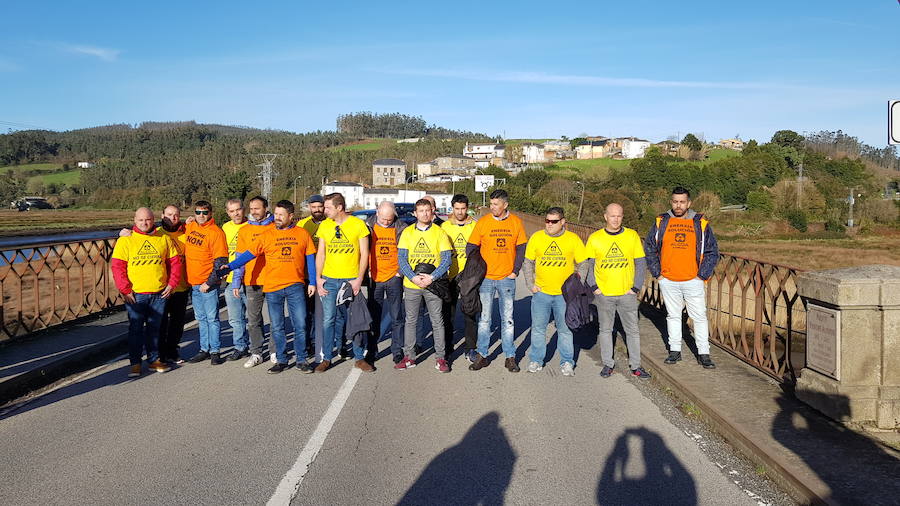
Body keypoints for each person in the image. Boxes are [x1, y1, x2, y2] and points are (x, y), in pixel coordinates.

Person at [223, 200, 317, 373]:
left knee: (301, 324)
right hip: (273, 287)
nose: (278, 217)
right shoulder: (267, 234)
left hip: (295, 286)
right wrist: (230, 266)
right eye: (277, 213)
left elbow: (310, 259)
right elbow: (248, 255)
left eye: (282, 214)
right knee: (277, 326)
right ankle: (281, 360)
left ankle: (302, 360)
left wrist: (312, 282)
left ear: (290, 216)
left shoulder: (302, 234)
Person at [644, 187, 720, 369]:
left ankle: (704, 353)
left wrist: (701, 275)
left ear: (689, 203)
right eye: (675, 202)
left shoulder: (700, 223)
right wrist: (658, 274)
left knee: (699, 316)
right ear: (671, 202)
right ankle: (675, 351)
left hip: (693, 279)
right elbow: (649, 247)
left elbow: (712, 250)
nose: (678, 205)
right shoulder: (661, 221)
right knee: (673, 316)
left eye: (682, 202)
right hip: (668, 279)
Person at [111, 208, 182, 377]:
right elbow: (117, 267)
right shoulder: (126, 241)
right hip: (136, 294)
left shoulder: (163, 238)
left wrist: (172, 284)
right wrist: (125, 289)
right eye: (141, 220)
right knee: (135, 329)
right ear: (135, 220)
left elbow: (175, 263)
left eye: (148, 220)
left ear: (153, 220)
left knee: (155, 329)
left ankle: (154, 360)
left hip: (159, 293)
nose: (144, 223)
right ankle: (135, 362)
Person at [584, 203, 650, 379]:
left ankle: (636, 366)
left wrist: (635, 287)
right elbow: (588, 265)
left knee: (632, 331)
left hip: (626, 294)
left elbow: (641, 263)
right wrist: (594, 287)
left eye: (619, 216)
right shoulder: (595, 238)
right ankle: (607, 364)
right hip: (604, 294)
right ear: (605, 216)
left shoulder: (631, 236)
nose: (616, 219)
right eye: (612, 216)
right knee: (605, 330)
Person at [465, 189, 528, 372]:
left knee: (507, 319)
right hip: (486, 279)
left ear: (505, 205)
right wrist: (478, 268)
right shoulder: (483, 222)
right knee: (484, 319)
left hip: (506, 279)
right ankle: (482, 355)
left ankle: (510, 356)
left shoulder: (516, 222)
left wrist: (515, 271)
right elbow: (471, 246)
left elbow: (521, 248)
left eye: (495, 204)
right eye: (491, 204)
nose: (492, 207)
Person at [522, 207, 586, 377]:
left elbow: (584, 263)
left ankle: (567, 362)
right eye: (547, 221)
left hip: (564, 296)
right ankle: (536, 360)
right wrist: (530, 284)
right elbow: (527, 262)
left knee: (565, 330)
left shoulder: (572, 239)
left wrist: (577, 285)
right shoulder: (537, 237)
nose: (549, 224)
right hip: (541, 293)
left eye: (554, 221)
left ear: (563, 222)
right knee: (538, 328)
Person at [315, 192, 371, 373]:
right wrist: (318, 278)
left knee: (356, 320)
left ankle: (359, 357)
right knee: (328, 320)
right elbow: (321, 253)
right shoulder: (325, 225)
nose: (325, 210)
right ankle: (327, 358)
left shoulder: (358, 225)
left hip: (350, 280)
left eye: (328, 207)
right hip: (329, 280)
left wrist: (358, 279)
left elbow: (364, 254)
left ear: (339, 207)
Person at [395, 198, 453, 372]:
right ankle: (409, 357)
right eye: (421, 211)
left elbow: (446, 260)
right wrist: (413, 277)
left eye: (428, 210)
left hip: (432, 285)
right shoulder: (407, 233)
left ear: (432, 211)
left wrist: (432, 277)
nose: (425, 214)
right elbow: (402, 259)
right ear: (415, 213)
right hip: (412, 285)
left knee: (437, 321)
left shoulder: (440, 232)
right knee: (411, 321)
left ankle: (441, 358)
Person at [231, 196, 276, 368]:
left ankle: (274, 350)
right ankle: (256, 352)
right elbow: (239, 258)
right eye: (251, 208)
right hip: (252, 281)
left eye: (257, 208)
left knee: (275, 318)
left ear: (266, 208)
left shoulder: (275, 227)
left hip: (273, 280)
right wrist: (236, 282)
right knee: (253, 320)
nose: (254, 212)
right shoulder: (244, 230)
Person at [184, 200, 229, 365]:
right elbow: (171, 230)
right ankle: (204, 349)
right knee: (201, 318)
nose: (201, 216)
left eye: (204, 212)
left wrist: (209, 283)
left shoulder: (216, 232)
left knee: (212, 318)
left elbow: (220, 262)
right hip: (193, 283)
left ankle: (215, 351)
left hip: (207, 284)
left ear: (210, 213)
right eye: (198, 212)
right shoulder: (190, 227)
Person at [365, 201, 407, 364]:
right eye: (383, 219)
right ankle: (372, 350)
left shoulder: (401, 227)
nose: (386, 222)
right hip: (374, 278)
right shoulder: (367, 226)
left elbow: (406, 251)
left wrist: (400, 273)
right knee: (373, 316)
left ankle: (397, 350)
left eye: (389, 219)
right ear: (377, 213)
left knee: (397, 316)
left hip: (393, 277)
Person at [440, 194, 478, 363]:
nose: (460, 212)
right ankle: (448, 348)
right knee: (449, 314)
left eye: (463, 208)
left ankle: (470, 348)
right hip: (450, 276)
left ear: (467, 208)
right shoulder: (445, 227)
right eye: (457, 208)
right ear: (452, 208)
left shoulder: (475, 226)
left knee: (470, 313)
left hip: (469, 276)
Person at [298, 194, 326, 358]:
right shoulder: (303, 225)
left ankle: (318, 342)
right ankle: (308, 343)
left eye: (319, 207)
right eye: (313, 207)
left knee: (322, 313)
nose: (316, 210)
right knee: (307, 312)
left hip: (325, 275)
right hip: (306, 275)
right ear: (309, 207)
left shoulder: (330, 224)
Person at [221, 198, 249, 361]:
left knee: (253, 318)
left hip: (250, 279)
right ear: (227, 212)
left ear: (243, 209)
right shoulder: (225, 228)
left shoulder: (252, 226)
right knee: (235, 318)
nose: (235, 214)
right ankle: (240, 347)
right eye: (232, 211)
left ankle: (255, 346)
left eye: (238, 210)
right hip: (232, 280)